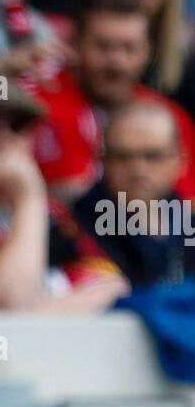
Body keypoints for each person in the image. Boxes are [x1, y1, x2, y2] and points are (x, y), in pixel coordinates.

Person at [0, 77, 128, 310]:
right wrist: (28, 197)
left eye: (17, 125)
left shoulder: (53, 211)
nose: (4, 137)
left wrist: (38, 312)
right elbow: (8, 308)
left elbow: (112, 285)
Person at [34, 0, 195, 200]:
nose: (116, 62)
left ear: (148, 50)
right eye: (103, 46)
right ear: (75, 43)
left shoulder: (170, 118)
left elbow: (186, 209)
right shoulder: (40, 104)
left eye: (129, 48)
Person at [73, 100, 195, 287]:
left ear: (181, 161)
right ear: (103, 161)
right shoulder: (75, 227)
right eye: (123, 157)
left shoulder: (187, 220)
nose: (138, 169)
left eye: (153, 156)